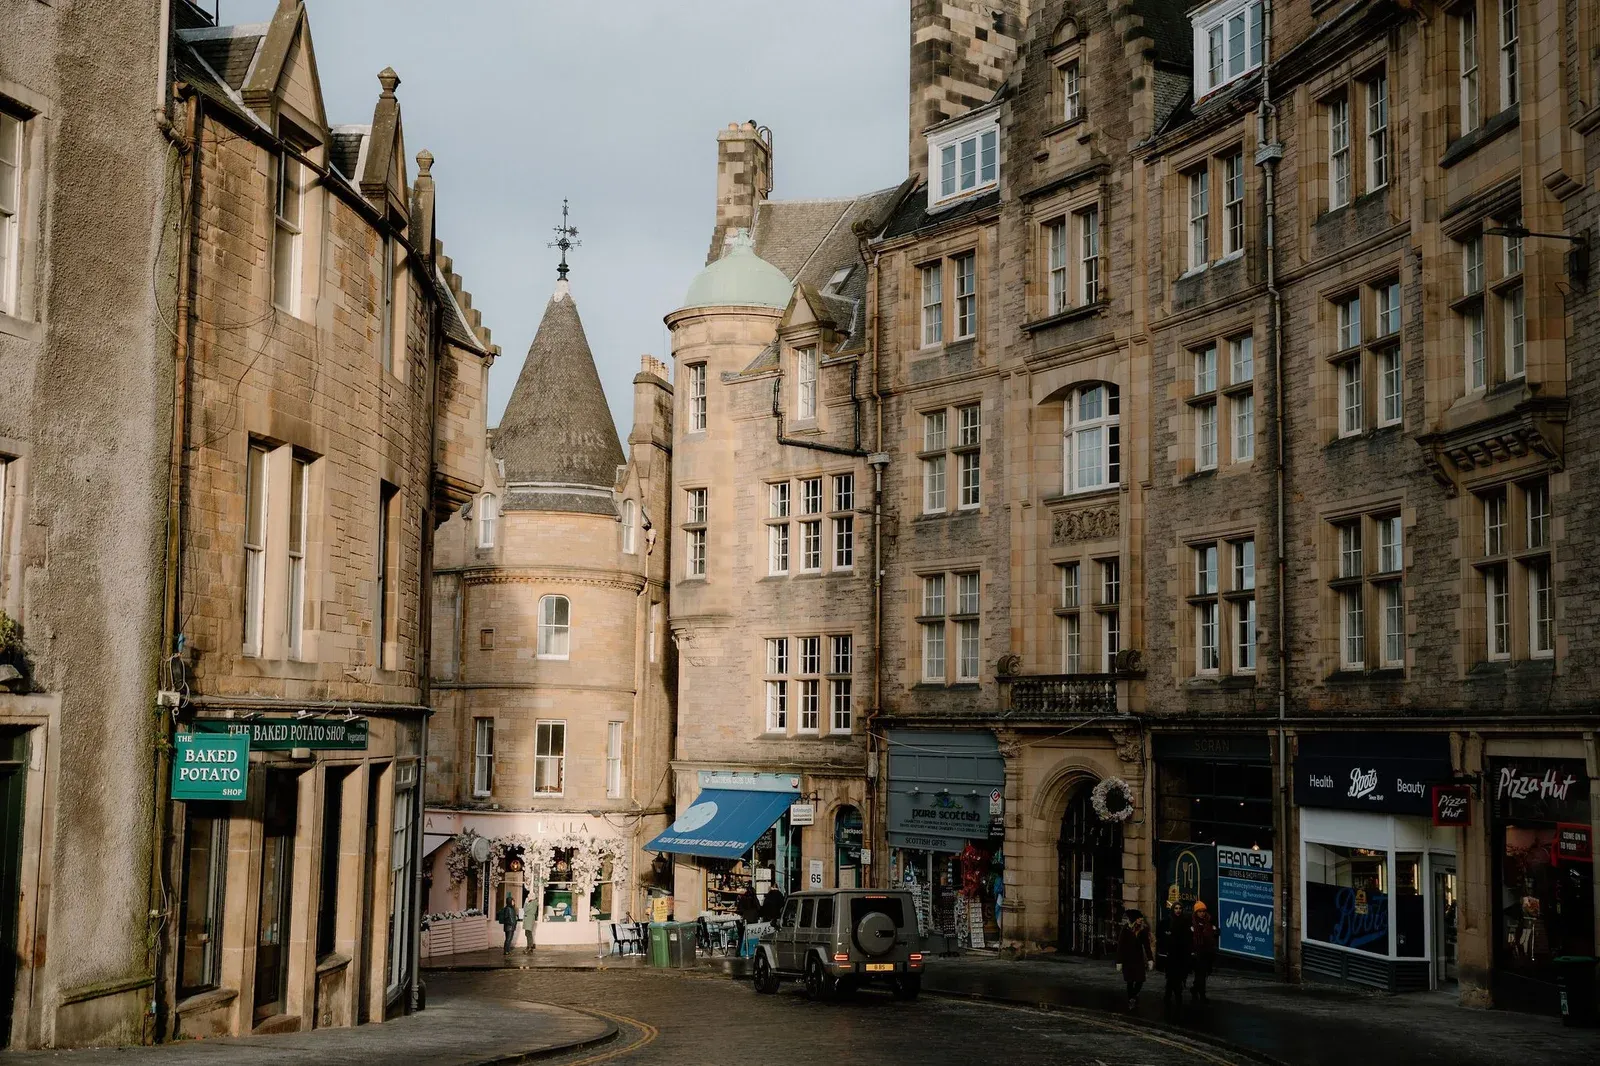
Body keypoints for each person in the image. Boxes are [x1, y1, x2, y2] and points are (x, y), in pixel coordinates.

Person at [1116, 909, 1155, 1011]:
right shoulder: (1125, 930)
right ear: (1133, 919)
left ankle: (1133, 996)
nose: (1141, 920)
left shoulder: (1142, 930)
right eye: (1138, 918)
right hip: (1127, 959)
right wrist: (1119, 961)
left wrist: (1150, 959)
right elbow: (1120, 946)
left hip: (1138, 959)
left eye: (1141, 918)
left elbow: (1146, 946)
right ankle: (1131, 999)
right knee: (1130, 981)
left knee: (1140, 979)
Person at [1163, 900, 1193, 1006]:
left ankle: (1175, 997)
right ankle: (1170, 996)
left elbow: (1188, 937)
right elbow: (1162, 935)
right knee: (1171, 977)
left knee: (1178, 977)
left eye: (1180, 908)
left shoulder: (1185, 921)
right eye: (1176, 908)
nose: (1178, 910)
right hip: (1172, 954)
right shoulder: (1168, 920)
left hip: (1182, 954)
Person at [1191, 900, 1218, 1001]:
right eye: (1199, 911)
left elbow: (1215, 933)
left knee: (1203, 974)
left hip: (1207, 952)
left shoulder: (1209, 922)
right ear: (1196, 912)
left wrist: (1215, 932)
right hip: (1197, 952)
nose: (1202, 913)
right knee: (1200, 974)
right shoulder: (1193, 923)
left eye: (1203, 911)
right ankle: (1202, 994)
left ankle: (1195, 989)